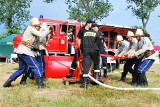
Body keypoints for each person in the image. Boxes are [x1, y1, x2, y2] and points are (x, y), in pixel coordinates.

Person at [3, 18, 52, 88]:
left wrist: (49, 34)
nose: (39, 27)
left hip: (21, 51)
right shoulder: (30, 28)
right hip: (25, 51)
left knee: (22, 69)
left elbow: (41, 40)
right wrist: (49, 29)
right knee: (36, 66)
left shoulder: (34, 32)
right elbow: (42, 35)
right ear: (35, 25)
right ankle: (40, 84)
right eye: (38, 26)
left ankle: (8, 82)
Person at [80, 23, 101, 89]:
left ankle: (85, 84)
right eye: (97, 27)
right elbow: (99, 43)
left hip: (86, 51)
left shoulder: (85, 33)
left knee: (86, 66)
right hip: (94, 50)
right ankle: (97, 79)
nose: (97, 29)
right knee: (97, 64)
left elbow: (81, 44)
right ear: (94, 28)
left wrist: (83, 51)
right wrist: (99, 51)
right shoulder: (97, 33)